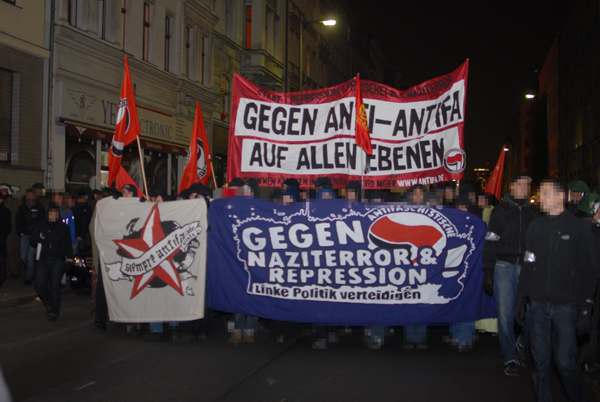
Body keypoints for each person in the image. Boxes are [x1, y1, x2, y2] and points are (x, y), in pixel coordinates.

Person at [516, 178, 597, 402]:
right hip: (539, 305)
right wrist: (521, 298)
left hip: (567, 307)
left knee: (565, 364)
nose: (541, 198)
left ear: (561, 196)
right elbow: (529, 263)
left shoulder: (579, 227)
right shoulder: (536, 226)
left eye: (546, 193)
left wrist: (585, 308)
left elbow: (589, 270)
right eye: (541, 193)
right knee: (540, 366)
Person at [482, 172, 540, 376]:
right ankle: (510, 357)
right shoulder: (500, 212)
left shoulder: (535, 212)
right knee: (505, 315)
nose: (525, 188)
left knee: (533, 313)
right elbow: (490, 242)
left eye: (527, 184)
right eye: (521, 184)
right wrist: (488, 271)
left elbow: (538, 245)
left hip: (527, 268)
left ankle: (522, 343)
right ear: (512, 187)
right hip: (503, 267)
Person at [30, 204, 74, 321]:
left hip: (57, 259)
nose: (52, 215)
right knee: (39, 285)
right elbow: (33, 240)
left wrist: (69, 259)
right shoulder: (41, 225)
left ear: (58, 214)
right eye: (50, 213)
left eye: (55, 213)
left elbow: (68, 244)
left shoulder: (64, 228)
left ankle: (54, 310)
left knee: (54, 286)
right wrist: (42, 236)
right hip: (43, 259)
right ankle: (49, 302)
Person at [15, 189, 45, 284]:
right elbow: (18, 220)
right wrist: (20, 231)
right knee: (23, 256)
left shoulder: (39, 208)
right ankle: (33, 271)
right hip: (24, 234)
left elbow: (41, 221)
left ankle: (29, 277)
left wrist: (38, 233)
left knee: (30, 257)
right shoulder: (22, 207)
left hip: (34, 235)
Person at [0, 195, 11, 287]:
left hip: (1, 238)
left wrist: (3, 235)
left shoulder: (5, 211)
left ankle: (1, 278)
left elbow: (7, 226)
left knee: (1, 259)